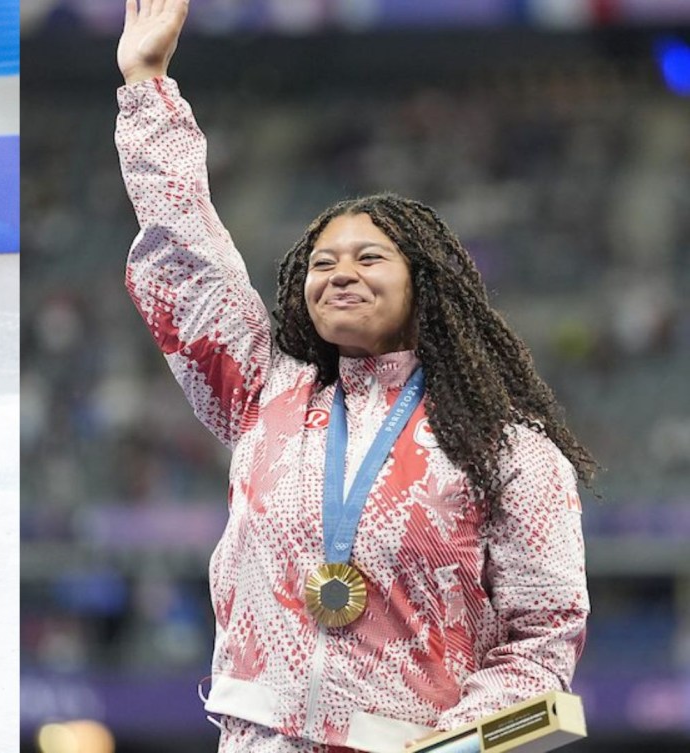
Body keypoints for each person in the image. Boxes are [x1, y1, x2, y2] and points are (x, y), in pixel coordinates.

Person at [114, 2, 594, 752]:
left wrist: (450, 745)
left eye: (369, 258)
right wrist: (147, 86)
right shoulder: (263, 394)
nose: (339, 273)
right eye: (321, 262)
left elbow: (541, 637)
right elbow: (188, 253)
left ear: (426, 283)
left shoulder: (511, 452)